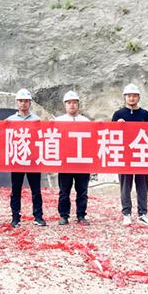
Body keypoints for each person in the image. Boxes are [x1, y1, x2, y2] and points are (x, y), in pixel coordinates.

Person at [112, 83, 148, 226]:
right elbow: (111, 134)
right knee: (125, 186)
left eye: (134, 96)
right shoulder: (118, 114)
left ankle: (143, 214)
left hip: (142, 154)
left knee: (142, 186)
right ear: (124, 97)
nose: (131, 98)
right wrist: (117, 125)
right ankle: (126, 213)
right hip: (124, 155)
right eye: (129, 96)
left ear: (139, 97)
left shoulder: (145, 114)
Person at [7, 89, 46, 228]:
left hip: (33, 160)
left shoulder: (37, 120)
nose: (23, 103)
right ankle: (15, 217)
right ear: (16, 103)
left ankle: (38, 216)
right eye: (20, 101)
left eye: (26, 101)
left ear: (30, 103)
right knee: (16, 190)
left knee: (36, 190)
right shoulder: (9, 121)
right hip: (17, 160)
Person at [55, 91, 91, 225]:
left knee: (82, 191)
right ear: (65, 105)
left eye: (74, 102)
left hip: (82, 162)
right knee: (64, 191)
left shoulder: (86, 121)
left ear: (78, 104)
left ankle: (81, 215)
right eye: (69, 103)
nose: (72, 105)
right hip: (65, 162)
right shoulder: (58, 121)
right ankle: (64, 215)